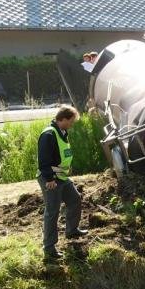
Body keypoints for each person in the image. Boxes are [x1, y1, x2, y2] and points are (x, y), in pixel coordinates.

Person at [37, 105, 88, 259]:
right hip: (51, 179)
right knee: (52, 211)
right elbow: (43, 160)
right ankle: (49, 247)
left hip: (62, 178)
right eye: (71, 121)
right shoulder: (48, 134)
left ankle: (72, 230)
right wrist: (49, 179)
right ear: (63, 119)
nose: (72, 124)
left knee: (74, 199)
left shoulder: (63, 132)